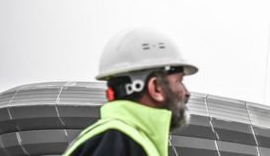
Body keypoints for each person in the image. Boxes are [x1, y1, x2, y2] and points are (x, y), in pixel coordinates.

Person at [63, 28, 198, 156]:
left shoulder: (120, 140)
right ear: (156, 88)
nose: (186, 93)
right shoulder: (116, 139)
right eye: (180, 81)